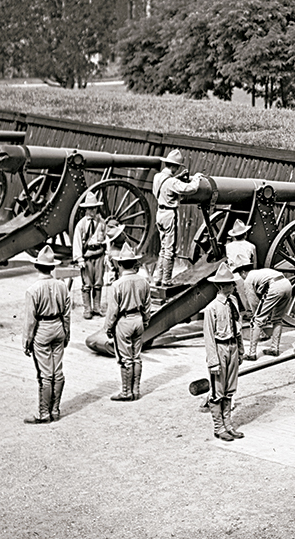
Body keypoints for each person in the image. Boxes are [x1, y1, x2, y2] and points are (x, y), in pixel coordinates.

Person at [23, 246, 72, 424]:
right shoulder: (62, 286)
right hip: (58, 327)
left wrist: (27, 341)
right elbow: (67, 313)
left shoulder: (33, 290)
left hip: (42, 329)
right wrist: (66, 333)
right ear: (52, 267)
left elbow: (30, 320)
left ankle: (44, 413)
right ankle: (55, 410)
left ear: (37, 266)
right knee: (57, 371)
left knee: (45, 374)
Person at [201, 264, 245, 442]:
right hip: (219, 349)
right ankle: (219, 428)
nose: (233, 286)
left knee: (230, 389)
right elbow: (209, 337)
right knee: (217, 391)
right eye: (230, 284)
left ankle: (229, 425)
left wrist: (240, 350)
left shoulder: (233, 302)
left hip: (232, 346)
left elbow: (238, 327)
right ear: (221, 286)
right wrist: (213, 361)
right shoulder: (211, 308)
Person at [151, 149, 205, 289]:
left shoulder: (157, 177)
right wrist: (196, 178)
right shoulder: (172, 182)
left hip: (160, 213)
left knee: (163, 248)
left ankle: (157, 278)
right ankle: (167, 280)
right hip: (170, 214)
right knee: (170, 249)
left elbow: (168, 184)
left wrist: (179, 177)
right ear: (174, 167)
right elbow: (190, 189)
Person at [103, 245, 151, 402]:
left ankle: (126, 392)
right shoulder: (144, 282)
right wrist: (145, 321)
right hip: (138, 319)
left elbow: (113, 310)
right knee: (137, 357)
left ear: (120, 264)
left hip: (124, 321)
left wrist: (108, 328)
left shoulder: (117, 285)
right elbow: (147, 306)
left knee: (125, 359)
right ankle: (136, 390)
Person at [236, 262, 294, 361]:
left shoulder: (248, 280)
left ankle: (251, 353)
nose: (242, 277)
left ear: (243, 272)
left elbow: (253, 303)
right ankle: (274, 348)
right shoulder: (259, 273)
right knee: (277, 319)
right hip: (287, 285)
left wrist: (258, 317)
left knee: (256, 321)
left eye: (240, 275)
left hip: (275, 287)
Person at [70, 190, 108, 320]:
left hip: (99, 255)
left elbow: (107, 239)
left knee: (98, 282)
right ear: (86, 209)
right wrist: (79, 259)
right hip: (87, 257)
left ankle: (97, 307)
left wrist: (107, 254)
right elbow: (77, 242)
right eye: (90, 208)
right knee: (87, 284)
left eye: (94, 208)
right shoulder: (81, 225)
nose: (93, 211)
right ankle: (87, 309)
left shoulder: (101, 223)